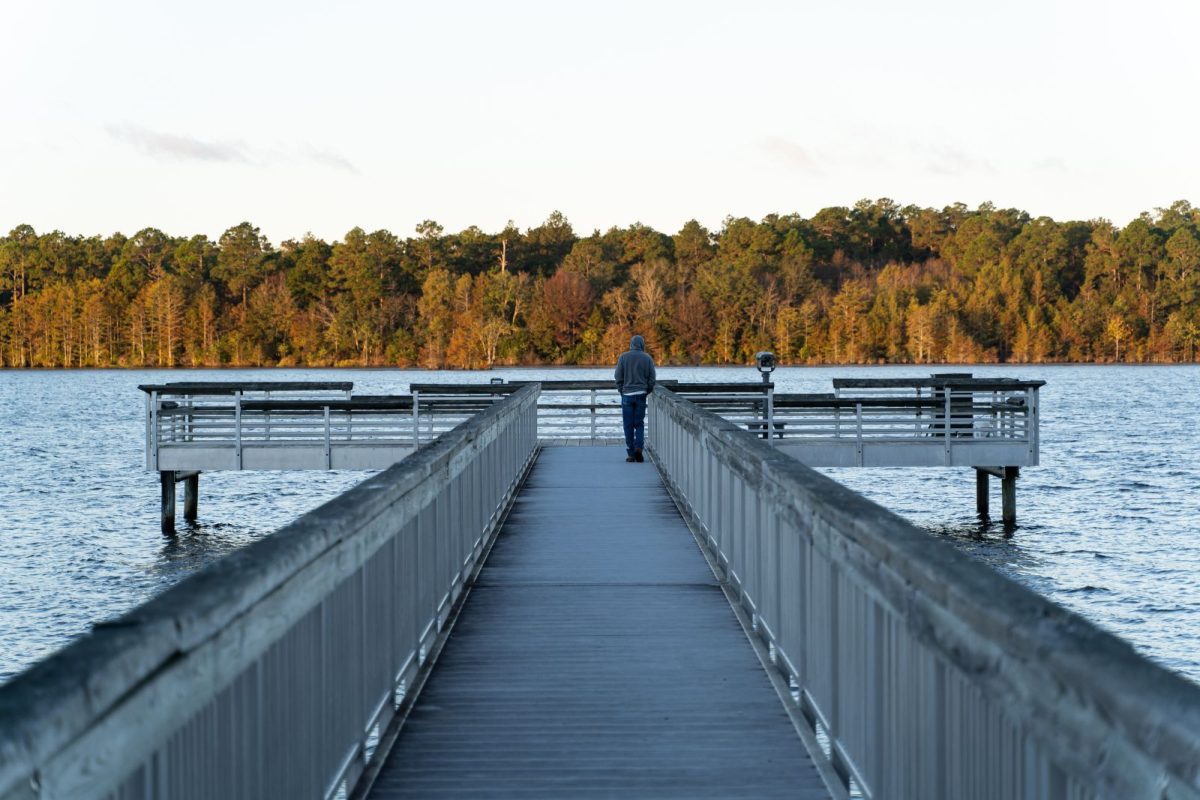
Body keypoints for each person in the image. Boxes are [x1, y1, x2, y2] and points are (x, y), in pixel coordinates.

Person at [614, 334, 656, 462]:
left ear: (631, 344)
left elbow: (618, 376)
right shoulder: (647, 358)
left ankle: (631, 453)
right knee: (639, 423)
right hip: (641, 394)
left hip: (627, 395)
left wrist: (621, 390)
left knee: (628, 425)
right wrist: (647, 390)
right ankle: (639, 448)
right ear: (642, 344)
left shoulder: (623, 357)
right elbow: (652, 378)